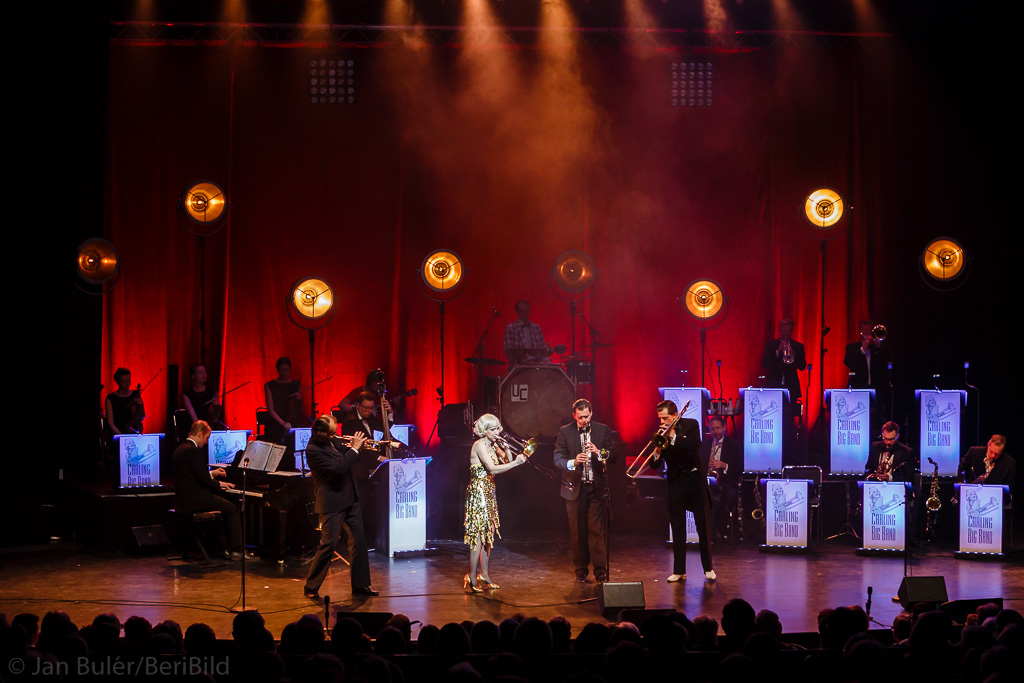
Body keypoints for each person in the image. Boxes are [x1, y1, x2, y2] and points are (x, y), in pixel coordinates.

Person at [303, 415, 378, 599]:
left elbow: (345, 450)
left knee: (359, 541)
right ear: (321, 433)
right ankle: (311, 586)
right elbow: (339, 467)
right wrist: (354, 448)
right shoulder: (313, 450)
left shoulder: (332, 441)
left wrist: (357, 444)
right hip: (332, 502)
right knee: (329, 544)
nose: (335, 436)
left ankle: (361, 585)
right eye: (331, 433)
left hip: (349, 499)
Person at [648, 400, 715, 582]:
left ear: (675, 415)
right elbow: (654, 464)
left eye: (665, 418)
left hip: (694, 479)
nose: (662, 422)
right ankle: (679, 571)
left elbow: (693, 446)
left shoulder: (691, 425)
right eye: (660, 419)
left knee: (702, 525)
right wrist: (657, 450)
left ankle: (708, 568)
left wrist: (673, 437)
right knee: (677, 527)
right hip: (676, 482)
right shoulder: (660, 434)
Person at [553, 399, 616, 583]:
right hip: (574, 489)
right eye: (580, 417)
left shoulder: (601, 429)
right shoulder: (565, 431)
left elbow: (613, 455)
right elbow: (558, 459)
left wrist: (599, 452)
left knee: (597, 531)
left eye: (586, 416)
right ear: (574, 416)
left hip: (595, 488)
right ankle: (580, 570)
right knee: (577, 532)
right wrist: (574, 462)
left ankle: (600, 570)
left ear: (591, 413)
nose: (584, 420)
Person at [464, 414, 526, 593]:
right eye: (493, 429)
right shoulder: (480, 445)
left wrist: (506, 448)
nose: (498, 432)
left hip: (489, 491)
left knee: (488, 535)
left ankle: (484, 574)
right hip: (479, 493)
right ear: (484, 430)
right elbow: (492, 468)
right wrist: (516, 463)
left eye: (498, 428)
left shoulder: (492, 444)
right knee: (477, 536)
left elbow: (505, 461)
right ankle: (472, 576)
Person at [172, 420, 243, 559]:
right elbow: (203, 480)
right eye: (206, 438)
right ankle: (237, 550)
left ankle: (224, 547)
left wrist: (213, 473)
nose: (206, 442)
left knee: (222, 507)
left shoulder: (180, 449)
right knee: (232, 508)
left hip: (182, 500)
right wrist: (221, 484)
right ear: (200, 434)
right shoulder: (193, 451)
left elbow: (193, 475)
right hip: (195, 500)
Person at [699, 415, 743, 539]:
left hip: (726, 482)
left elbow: (739, 469)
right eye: (712, 429)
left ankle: (720, 529)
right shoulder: (705, 444)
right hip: (707, 481)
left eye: (718, 428)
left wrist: (724, 466)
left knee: (724, 497)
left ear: (724, 427)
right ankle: (708, 532)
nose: (715, 432)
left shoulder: (734, 445)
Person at [761, 318, 806, 401]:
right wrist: (778, 351)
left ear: (792, 331)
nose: (785, 334)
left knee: (790, 413)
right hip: (773, 385)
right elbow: (765, 364)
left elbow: (802, 367)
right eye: (783, 331)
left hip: (791, 387)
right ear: (779, 330)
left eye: (787, 331)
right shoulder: (771, 345)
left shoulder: (798, 346)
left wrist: (794, 355)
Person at [263, 357, 303, 445]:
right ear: (277, 370)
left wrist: (299, 398)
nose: (284, 373)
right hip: (275, 422)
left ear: (290, 369)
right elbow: (271, 409)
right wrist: (283, 423)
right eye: (281, 370)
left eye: (286, 370)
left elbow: (298, 408)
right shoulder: (270, 385)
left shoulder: (295, 384)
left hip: (292, 422)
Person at [503, 300, 554, 365]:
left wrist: (546, 359)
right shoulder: (510, 328)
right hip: (518, 366)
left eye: (526, 310)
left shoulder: (536, 327)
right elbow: (509, 353)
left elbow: (542, 348)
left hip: (535, 364)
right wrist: (523, 360)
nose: (525, 313)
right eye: (522, 311)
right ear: (517, 312)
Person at [843, 321, 889, 391]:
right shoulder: (852, 347)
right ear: (860, 331)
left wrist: (878, 345)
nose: (866, 332)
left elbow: (887, 361)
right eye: (863, 329)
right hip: (858, 387)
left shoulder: (877, 348)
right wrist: (862, 350)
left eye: (868, 329)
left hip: (877, 387)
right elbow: (848, 362)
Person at [105, 367, 145, 436]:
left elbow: (142, 416)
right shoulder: (110, 398)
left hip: (134, 434)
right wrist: (121, 436)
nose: (127, 384)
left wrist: (141, 404)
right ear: (117, 382)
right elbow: (110, 423)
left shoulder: (136, 394)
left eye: (129, 380)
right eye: (124, 382)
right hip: (117, 434)